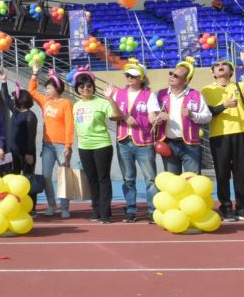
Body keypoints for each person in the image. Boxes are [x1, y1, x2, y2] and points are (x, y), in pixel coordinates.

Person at [202, 46, 244, 222]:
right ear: (213, 73)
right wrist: (223, 106)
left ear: (231, 71)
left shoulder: (238, 86)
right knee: (222, 173)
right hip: (219, 135)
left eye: (224, 64)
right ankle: (226, 207)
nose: (220, 66)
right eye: (217, 65)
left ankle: (242, 207)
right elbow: (207, 112)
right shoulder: (206, 90)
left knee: (241, 172)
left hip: (242, 132)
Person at [108, 63, 160, 223]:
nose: (130, 78)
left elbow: (152, 116)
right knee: (128, 178)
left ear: (141, 78)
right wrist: (119, 110)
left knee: (150, 179)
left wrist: (157, 119)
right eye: (127, 75)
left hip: (144, 141)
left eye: (133, 76)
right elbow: (113, 116)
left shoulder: (149, 95)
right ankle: (130, 209)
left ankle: (152, 210)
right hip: (124, 140)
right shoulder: (119, 94)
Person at [72, 72, 125, 223]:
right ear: (77, 89)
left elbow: (117, 116)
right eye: (82, 86)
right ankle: (96, 210)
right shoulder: (76, 106)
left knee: (103, 179)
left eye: (89, 86)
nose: (85, 88)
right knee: (92, 179)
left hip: (102, 145)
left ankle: (105, 213)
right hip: (84, 146)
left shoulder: (102, 102)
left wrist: (110, 98)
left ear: (93, 87)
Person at [27, 67, 74, 218]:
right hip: (47, 145)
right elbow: (32, 91)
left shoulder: (66, 103)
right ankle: (52, 205)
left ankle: (65, 208)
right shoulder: (45, 101)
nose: (46, 90)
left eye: (49, 88)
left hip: (62, 146)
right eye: (46, 88)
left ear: (57, 88)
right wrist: (34, 73)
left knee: (63, 176)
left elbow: (69, 126)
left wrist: (68, 146)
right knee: (46, 176)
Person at [154, 59, 211, 175]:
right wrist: (158, 117)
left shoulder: (196, 95)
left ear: (186, 81)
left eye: (176, 76)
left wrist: (192, 115)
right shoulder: (160, 94)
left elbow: (208, 117)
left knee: (193, 179)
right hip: (168, 143)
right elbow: (151, 116)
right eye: (171, 73)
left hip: (190, 144)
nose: (171, 77)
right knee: (173, 181)